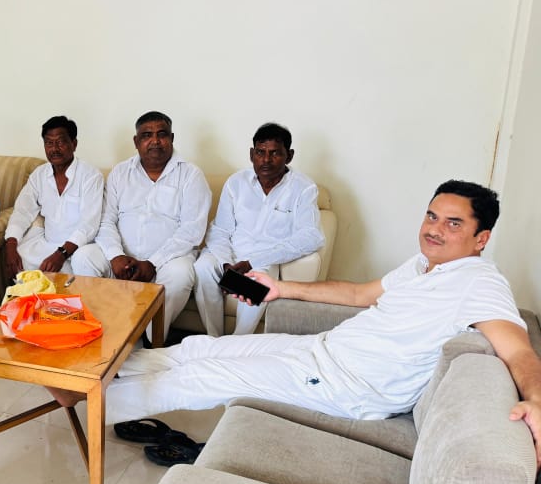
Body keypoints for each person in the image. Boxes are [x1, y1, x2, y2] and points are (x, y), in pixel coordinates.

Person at [55, 181, 541, 466]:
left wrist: (538, 401)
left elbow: (519, 350)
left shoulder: (479, 282)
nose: (434, 229)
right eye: (432, 216)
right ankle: (91, 373)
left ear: (481, 238)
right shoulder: (422, 265)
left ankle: (84, 401)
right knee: (199, 348)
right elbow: (359, 294)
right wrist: (281, 289)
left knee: (206, 377)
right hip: (324, 353)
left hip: (347, 385)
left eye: (453, 224)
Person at [70, 111, 211, 338]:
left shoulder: (191, 175)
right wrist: (116, 255)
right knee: (83, 257)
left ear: (172, 138)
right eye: (147, 135)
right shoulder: (120, 172)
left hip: (168, 260)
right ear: (136, 142)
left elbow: (191, 231)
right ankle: (102, 329)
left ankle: (151, 339)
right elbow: (106, 219)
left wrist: (153, 263)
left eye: (161, 134)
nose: (155, 141)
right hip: (122, 258)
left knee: (181, 273)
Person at [193, 122, 325, 336]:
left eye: (275, 153)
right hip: (230, 254)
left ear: (289, 156)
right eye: (260, 152)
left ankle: (238, 342)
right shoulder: (236, 182)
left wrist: (251, 263)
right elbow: (220, 230)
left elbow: (312, 237)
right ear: (251, 154)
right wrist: (226, 263)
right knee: (202, 267)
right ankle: (213, 338)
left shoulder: (303, 188)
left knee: (256, 284)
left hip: (264, 260)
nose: (266, 160)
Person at [3, 115, 104, 279]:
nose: (54, 149)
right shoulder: (39, 175)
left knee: (82, 263)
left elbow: (89, 224)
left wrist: (61, 254)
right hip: (47, 245)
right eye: (49, 143)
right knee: (21, 257)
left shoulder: (91, 176)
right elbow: (22, 211)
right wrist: (11, 244)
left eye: (61, 142)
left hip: (79, 248)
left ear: (74, 144)